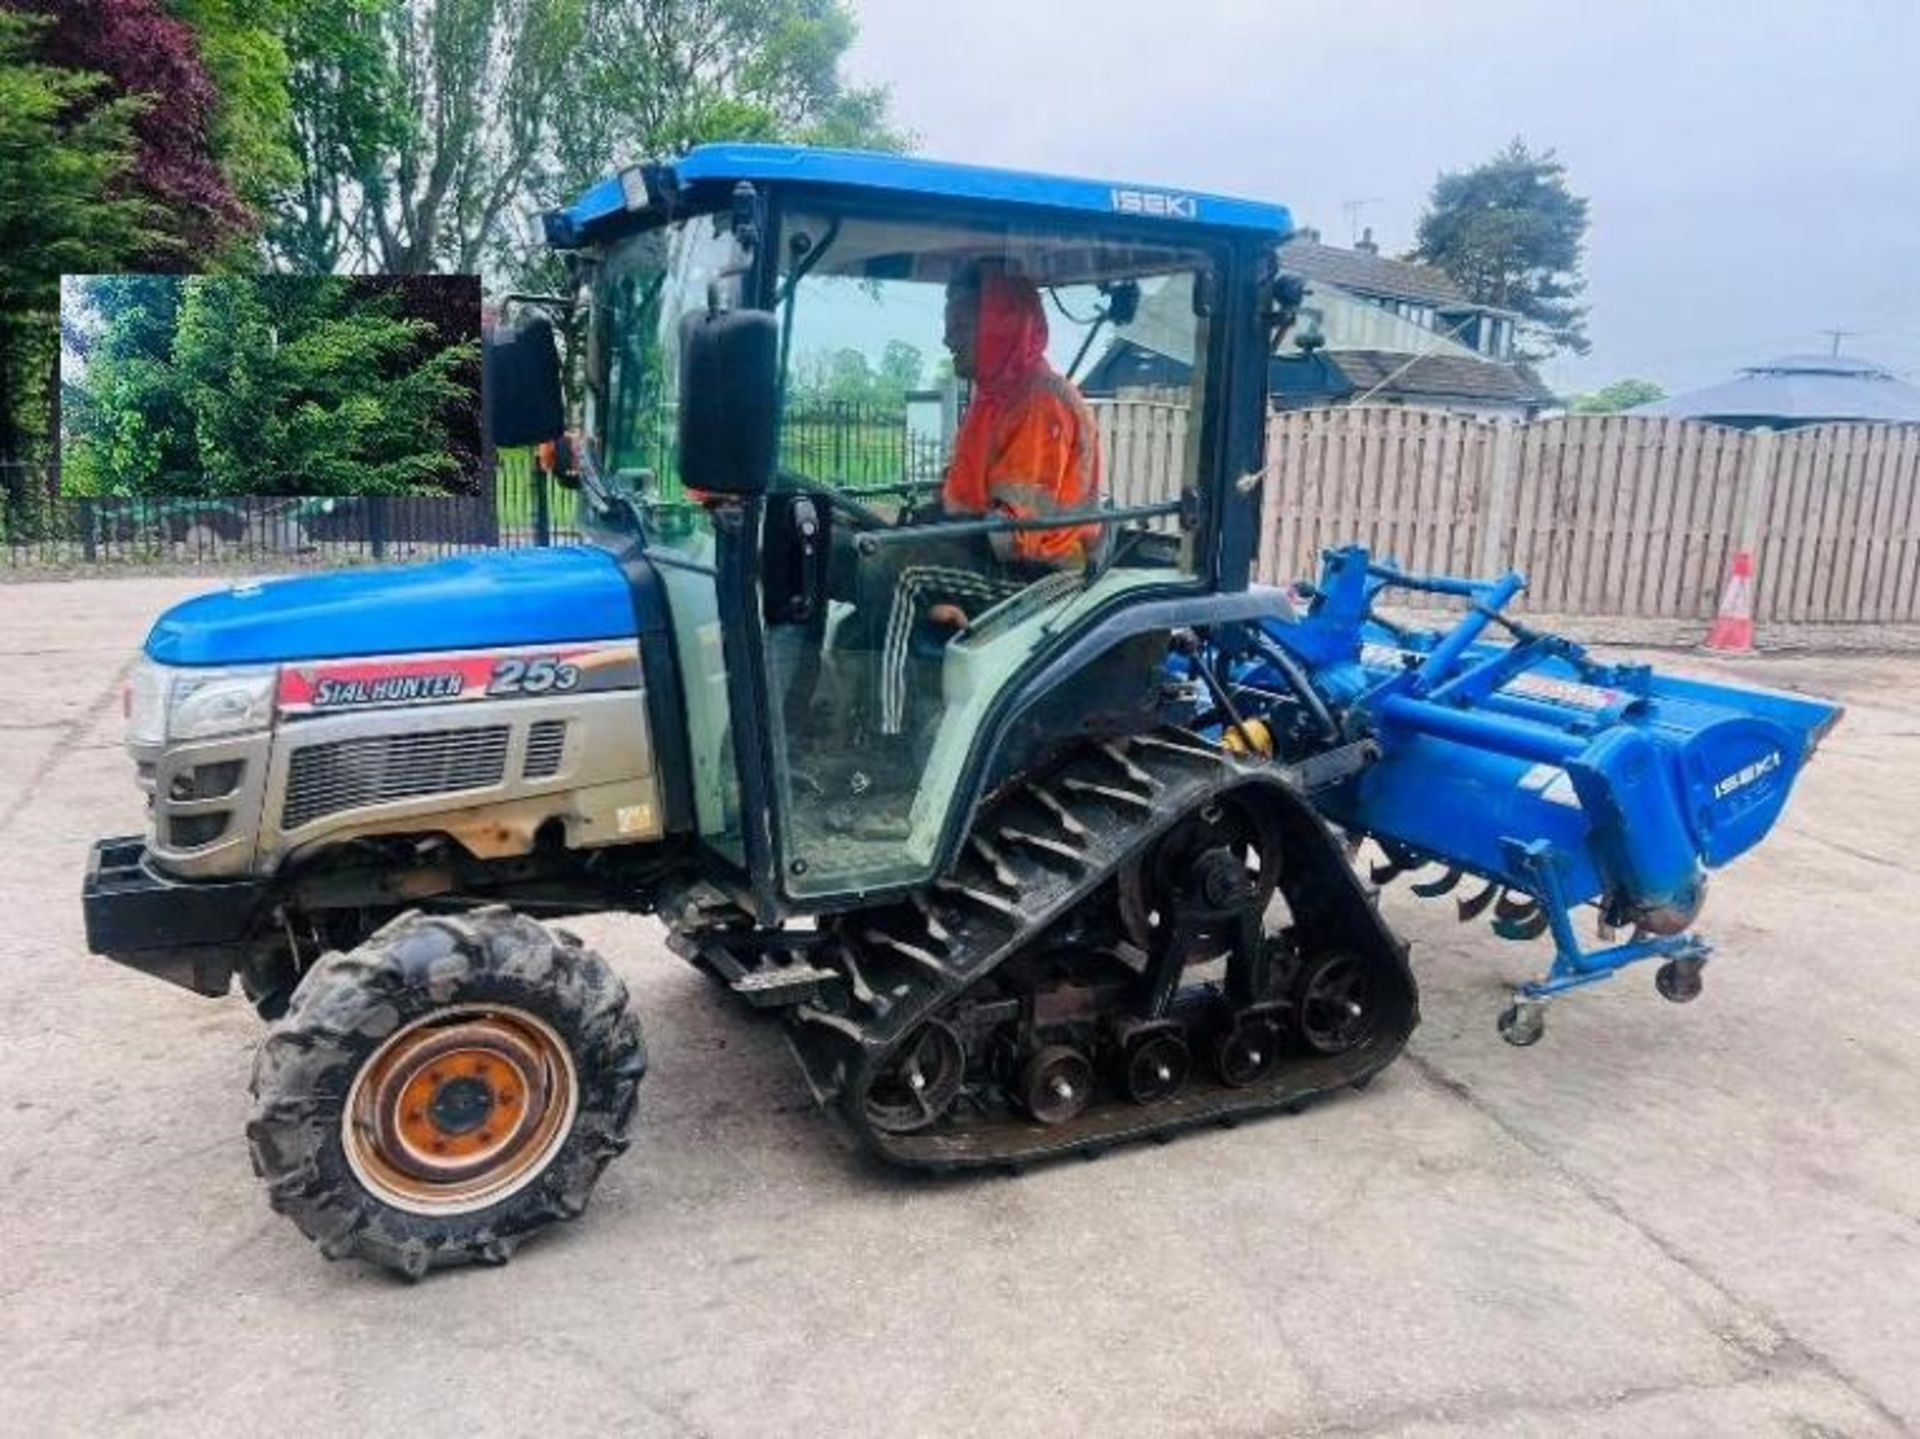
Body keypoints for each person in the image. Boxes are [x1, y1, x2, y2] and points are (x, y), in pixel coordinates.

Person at [870, 265, 1103, 739]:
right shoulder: (994, 396)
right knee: (854, 550)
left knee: (901, 576)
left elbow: (1011, 536)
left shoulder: (1040, 404)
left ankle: (884, 741)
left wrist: (917, 541)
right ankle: (847, 700)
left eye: (957, 325)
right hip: (992, 556)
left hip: (1042, 578)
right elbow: (961, 501)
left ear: (998, 324)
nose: (946, 338)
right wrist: (906, 526)